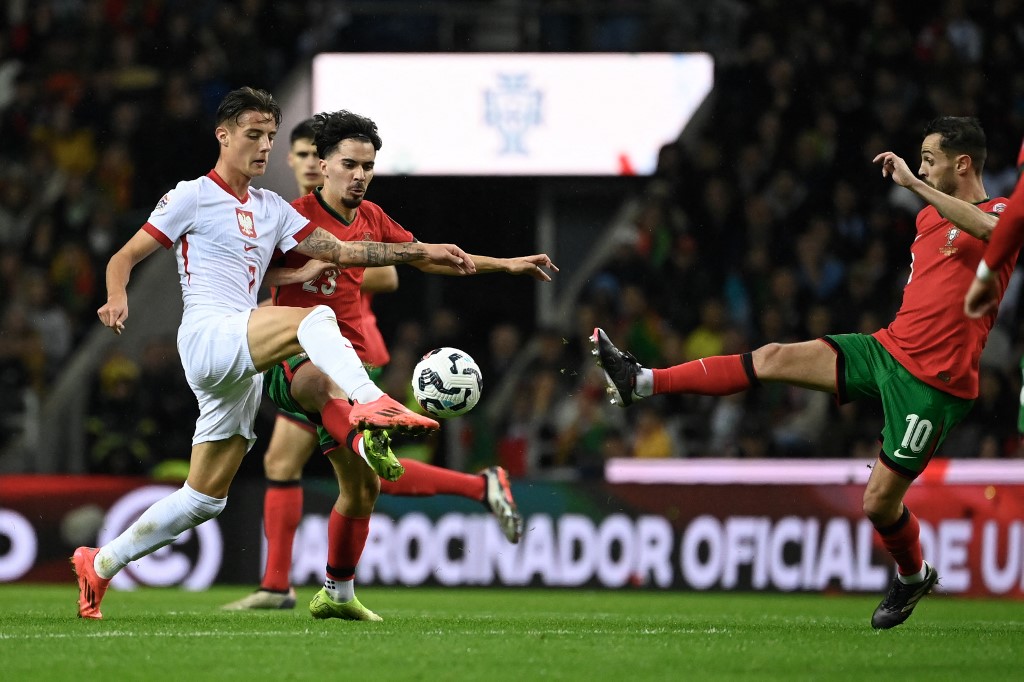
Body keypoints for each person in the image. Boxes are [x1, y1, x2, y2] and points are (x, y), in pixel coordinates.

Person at [72, 86, 480, 620]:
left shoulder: (271, 208)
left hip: (243, 357)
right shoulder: (192, 195)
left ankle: (99, 564)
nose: (265, 146)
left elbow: (343, 250)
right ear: (223, 136)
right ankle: (369, 401)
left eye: (270, 136)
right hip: (208, 335)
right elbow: (125, 256)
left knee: (205, 499)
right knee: (314, 319)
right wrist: (116, 297)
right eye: (253, 135)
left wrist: (420, 250)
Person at [592, 116, 1010, 629]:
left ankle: (913, 574)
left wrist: (916, 184)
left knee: (878, 505)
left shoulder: (1000, 211)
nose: (919, 165)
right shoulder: (928, 220)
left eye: (929, 158)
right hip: (888, 349)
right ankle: (642, 381)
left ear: (962, 163)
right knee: (770, 357)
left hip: (934, 386)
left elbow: (993, 234)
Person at [223, 111, 555, 619]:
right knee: (314, 386)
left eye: (368, 167)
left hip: (356, 365)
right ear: (325, 165)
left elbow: (425, 258)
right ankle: (365, 433)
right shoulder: (291, 215)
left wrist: (506, 265)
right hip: (297, 356)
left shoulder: (374, 217)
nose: (359, 175)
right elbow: (249, 270)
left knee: (362, 492)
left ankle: (337, 592)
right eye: (350, 164)